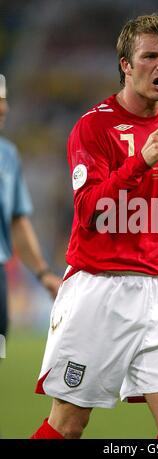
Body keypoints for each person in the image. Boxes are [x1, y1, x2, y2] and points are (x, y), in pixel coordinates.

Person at [31, 14, 158, 440]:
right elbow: (89, 209)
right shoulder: (93, 126)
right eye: (150, 56)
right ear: (126, 64)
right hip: (101, 288)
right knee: (69, 423)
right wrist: (139, 161)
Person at [0, 74, 61, 339]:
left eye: (5, 101)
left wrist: (43, 272)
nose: (5, 108)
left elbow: (17, 222)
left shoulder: (8, 156)